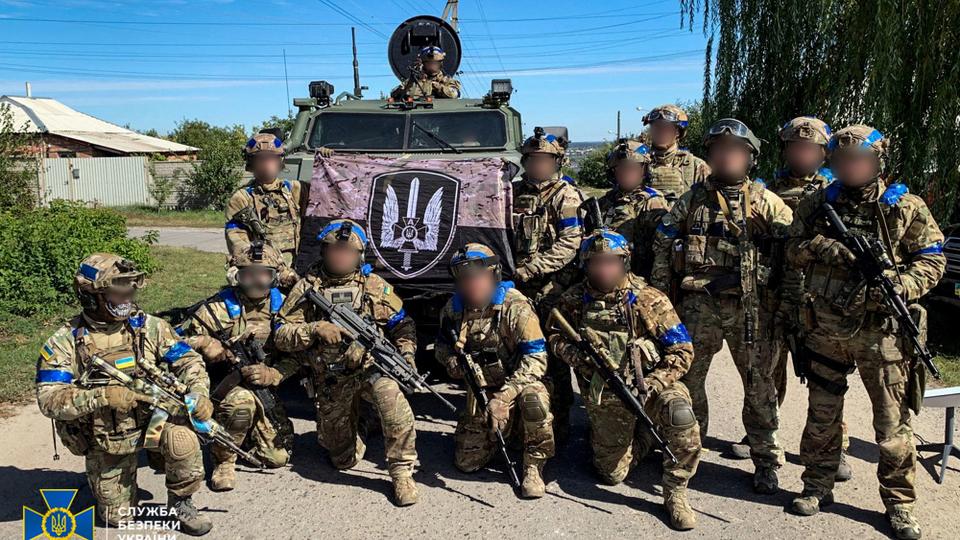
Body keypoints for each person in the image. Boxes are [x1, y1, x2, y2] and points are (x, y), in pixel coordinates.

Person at [786, 125, 944, 540]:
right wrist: (822, 247)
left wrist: (900, 285)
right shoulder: (818, 203)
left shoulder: (905, 207)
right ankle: (817, 486)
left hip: (883, 334)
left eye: (859, 160)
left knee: (892, 426)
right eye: (842, 162)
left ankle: (899, 505)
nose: (851, 168)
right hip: (825, 328)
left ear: (876, 162)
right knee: (822, 416)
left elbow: (932, 260)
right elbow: (790, 249)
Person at [651, 118, 792, 494]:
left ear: (749, 157)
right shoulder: (692, 199)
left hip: (750, 309)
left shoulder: (765, 201)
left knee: (759, 386)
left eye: (735, 151)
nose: (726, 156)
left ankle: (766, 460)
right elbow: (664, 244)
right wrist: (661, 301)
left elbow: (792, 251)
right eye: (719, 150)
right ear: (709, 155)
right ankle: (687, 452)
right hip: (699, 307)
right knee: (689, 381)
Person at [35, 254, 213, 535]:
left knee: (183, 440)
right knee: (119, 518)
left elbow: (188, 361)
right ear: (90, 295)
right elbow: (49, 399)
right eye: (117, 290)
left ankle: (181, 501)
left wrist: (200, 393)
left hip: (153, 421)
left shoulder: (149, 326)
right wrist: (103, 396)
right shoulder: (64, 341)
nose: (127, 296)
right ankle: (112, 479)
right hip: (105, 436)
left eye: (131, 287)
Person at [548, 229, 700, 530]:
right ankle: (643, 437)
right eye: (597, 262)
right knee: (611, 474)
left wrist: (655, 382)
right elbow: (554, 335)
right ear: (586, 264)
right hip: (606, 393)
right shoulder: (575, 300)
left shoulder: (648, 298)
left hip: (651, 387)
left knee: (681, 415)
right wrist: (578, 358)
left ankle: (676, 491)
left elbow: (682, 350)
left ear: (624, 263)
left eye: (611, 262)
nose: (604, 269)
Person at [728, 116, 853, 482]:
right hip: (771, 295)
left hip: (817, 301)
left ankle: (835, 445)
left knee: (825, 377)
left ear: (822, 152)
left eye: (810, 148)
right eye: (796, 147)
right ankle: (766, 436)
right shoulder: (765, 190)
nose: (802, 153)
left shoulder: (835, 191)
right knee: (767, 370)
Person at [273, 219, 421, 506]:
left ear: (359, 256)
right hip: (330, 378)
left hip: (369, 371)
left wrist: (407, 355)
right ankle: (364, 422)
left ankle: (402, 473)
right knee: (343, 459)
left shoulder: (373, 285)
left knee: (391, 397)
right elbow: (280, 333)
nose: (341, 257)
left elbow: (403, 325)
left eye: (348, 252)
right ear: (324, 252)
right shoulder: (307, 287)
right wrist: (313, 329)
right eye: (334, 251)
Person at [435, 244, 555, 498]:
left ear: (493, 275)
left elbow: (536, 359)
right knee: (466, 462)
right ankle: (504, 434)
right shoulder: (453, 310)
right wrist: (451, 363)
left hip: (519, 387)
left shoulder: (516, 307)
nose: (472, 285)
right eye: (465, 279)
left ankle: (534, 464)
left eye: (478, 278)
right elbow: (441, 347)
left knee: (534, 399)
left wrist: (504, 396)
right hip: (482, 391)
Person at [179, 243, 298, 491]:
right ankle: (224, 461)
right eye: (248, 275)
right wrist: (203, 341)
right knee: (241, 402)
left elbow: (302, 355)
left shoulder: (287, 308)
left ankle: (236, 434)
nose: (256, 281)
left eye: (264, 274)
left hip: (264, 387)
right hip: (227, 387)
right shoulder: (216, 309)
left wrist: (275, 373)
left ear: (275, 276)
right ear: (236, 276)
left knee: (278, 457)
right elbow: (172, 344)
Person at [511, 127, 584, 442]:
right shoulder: (511, 191)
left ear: (557, 162)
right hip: (515, 285)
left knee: (553, 358)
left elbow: (570, 243)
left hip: (552, 288)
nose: (538, 165)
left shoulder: (565, 195)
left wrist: (534, 268)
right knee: (516, 352)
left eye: (545, 160)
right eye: (533, 159)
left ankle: (560, 421)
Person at [224, 133, 305, 288]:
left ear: (280, 161)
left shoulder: (295, 189)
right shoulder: (241, 199)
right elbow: (238, 243)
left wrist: (329, 156)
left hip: (300, 271)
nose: (267, 164)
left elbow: (327, 196)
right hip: (264, 274)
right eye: (261, 159)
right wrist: (275, 269)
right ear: (251, 163)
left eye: (272, 158)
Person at [598, 139, 671, 278]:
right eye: (621, 168)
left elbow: (662, 249)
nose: (627, 173)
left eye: (633, 168)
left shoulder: (653, 202)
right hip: (606, 274)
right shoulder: (605, 202)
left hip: (639, 277)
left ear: (645, 170)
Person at [642, 104, 711, 201]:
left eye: (666, 128)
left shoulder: (696, 166)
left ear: (678, 132)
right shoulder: (639, 163)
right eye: (657, 127)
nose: (660, 132)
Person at [390, 46, 462, 100]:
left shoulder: (447, 81)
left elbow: (454, 94)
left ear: (441, 64)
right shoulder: (413, 81)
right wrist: (411, 83)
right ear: (423, 64)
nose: (432, 66)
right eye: (429, 63)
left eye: (435, 63)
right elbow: (394, 94)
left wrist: (436, 86)